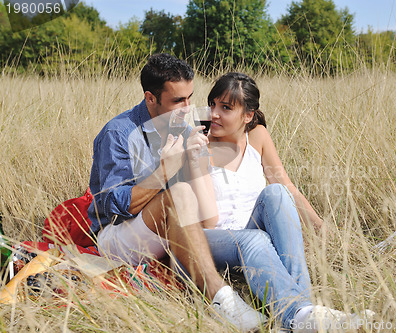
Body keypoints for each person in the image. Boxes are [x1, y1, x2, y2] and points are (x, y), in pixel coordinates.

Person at [87, 54, 266, 332]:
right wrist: (164, 173)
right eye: (177, 101)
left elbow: (238, 132)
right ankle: (222, 299)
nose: (188, 108)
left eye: (190, 97)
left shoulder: (186, 125)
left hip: (171, 231)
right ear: (150, 98)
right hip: (117, 236)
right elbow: (113, 205)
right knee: (178, 193)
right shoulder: (118, 133)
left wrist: (200, 155)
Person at [203, 72, 374, 332]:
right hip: (212, 238)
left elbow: (288, 188)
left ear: (248, 115)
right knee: (256, 239)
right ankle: (301, 315)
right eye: (212, 104)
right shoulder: (198, 141)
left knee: (277, 193)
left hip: (250, 233)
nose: (214, 113)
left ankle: (300, 314)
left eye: (226, 108)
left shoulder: (257, 136)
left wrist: (324, 231)